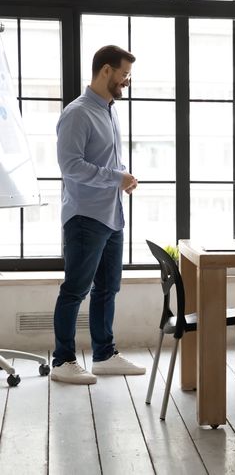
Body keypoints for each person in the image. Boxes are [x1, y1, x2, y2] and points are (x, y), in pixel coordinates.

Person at [51, 45, 145, 384]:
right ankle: (62, 360)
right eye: (124, 74)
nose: (127, 81)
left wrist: (123, 176)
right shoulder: (77, 113)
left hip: (111, 214)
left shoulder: (109, 109)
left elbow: (103, 160)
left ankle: (103, 355)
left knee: (107, 288)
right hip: (85, 217)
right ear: (106, 71)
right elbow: (70, 166)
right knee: (75, 289)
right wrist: (115, 178)